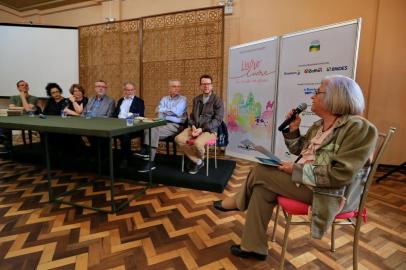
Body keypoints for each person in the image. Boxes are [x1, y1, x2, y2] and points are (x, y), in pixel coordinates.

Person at [212, 75, 378, 261]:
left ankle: (237, 201)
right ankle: (253, 247)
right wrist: (293, 129)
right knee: (262, 188)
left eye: (317, 92)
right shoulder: (319, 125)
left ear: (336, 96)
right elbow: (298, 149)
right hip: (307, 184)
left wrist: (296, 170)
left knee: (261, 171)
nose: (312, 96)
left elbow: (341, 175)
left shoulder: (359, 128)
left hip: (331, 194)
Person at [175, 75, 224, 174]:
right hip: (194, 128)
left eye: (208, 84)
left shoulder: (217, 100)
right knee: (178, 139)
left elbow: (218, 120)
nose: (206, 86)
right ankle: (198, 161)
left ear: (212, 86)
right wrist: (193, 126)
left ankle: (194, 160)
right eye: (204, 84)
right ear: (200, 86)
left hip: (209, 130)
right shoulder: (196, 99)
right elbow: (192, 116)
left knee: (197, 143)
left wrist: (202, 129)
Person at [136, 80, 187, 172]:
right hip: (161, 123)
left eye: (179, 86)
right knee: (148, 128)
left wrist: (164, 111)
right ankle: (148, 155)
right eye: (174, 86)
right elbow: (158, 111)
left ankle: (148, 157)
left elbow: (176, 112)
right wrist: (168, 112)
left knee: (152, 130)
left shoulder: (183, 99)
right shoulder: (164, 99)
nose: (177, 88)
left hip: (176, 125)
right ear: (169, 88)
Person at [112, 82, 144, 168]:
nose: (129, 92)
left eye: (131, 90)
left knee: (125, 135)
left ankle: (125, 159)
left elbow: (140, 114)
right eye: (127, 90)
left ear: (134, 90)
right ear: (124, 90)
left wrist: (127, 120)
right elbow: (115, 113)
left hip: (132, 125)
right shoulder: (121, 100)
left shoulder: (139, 101)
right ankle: (108, 157)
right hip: (118, 124)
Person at [2, 80, 39, 153]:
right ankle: (7, 148)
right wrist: (23, 107)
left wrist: (22, 97)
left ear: (28, 87)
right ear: (18, 88)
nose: (24, 86)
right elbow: (11, 108)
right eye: (22, 85)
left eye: (26, 85)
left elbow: (28, 110)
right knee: (5, 127)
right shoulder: (13, 97)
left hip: (29, 120)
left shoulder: (34, 98)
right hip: (16, 118)